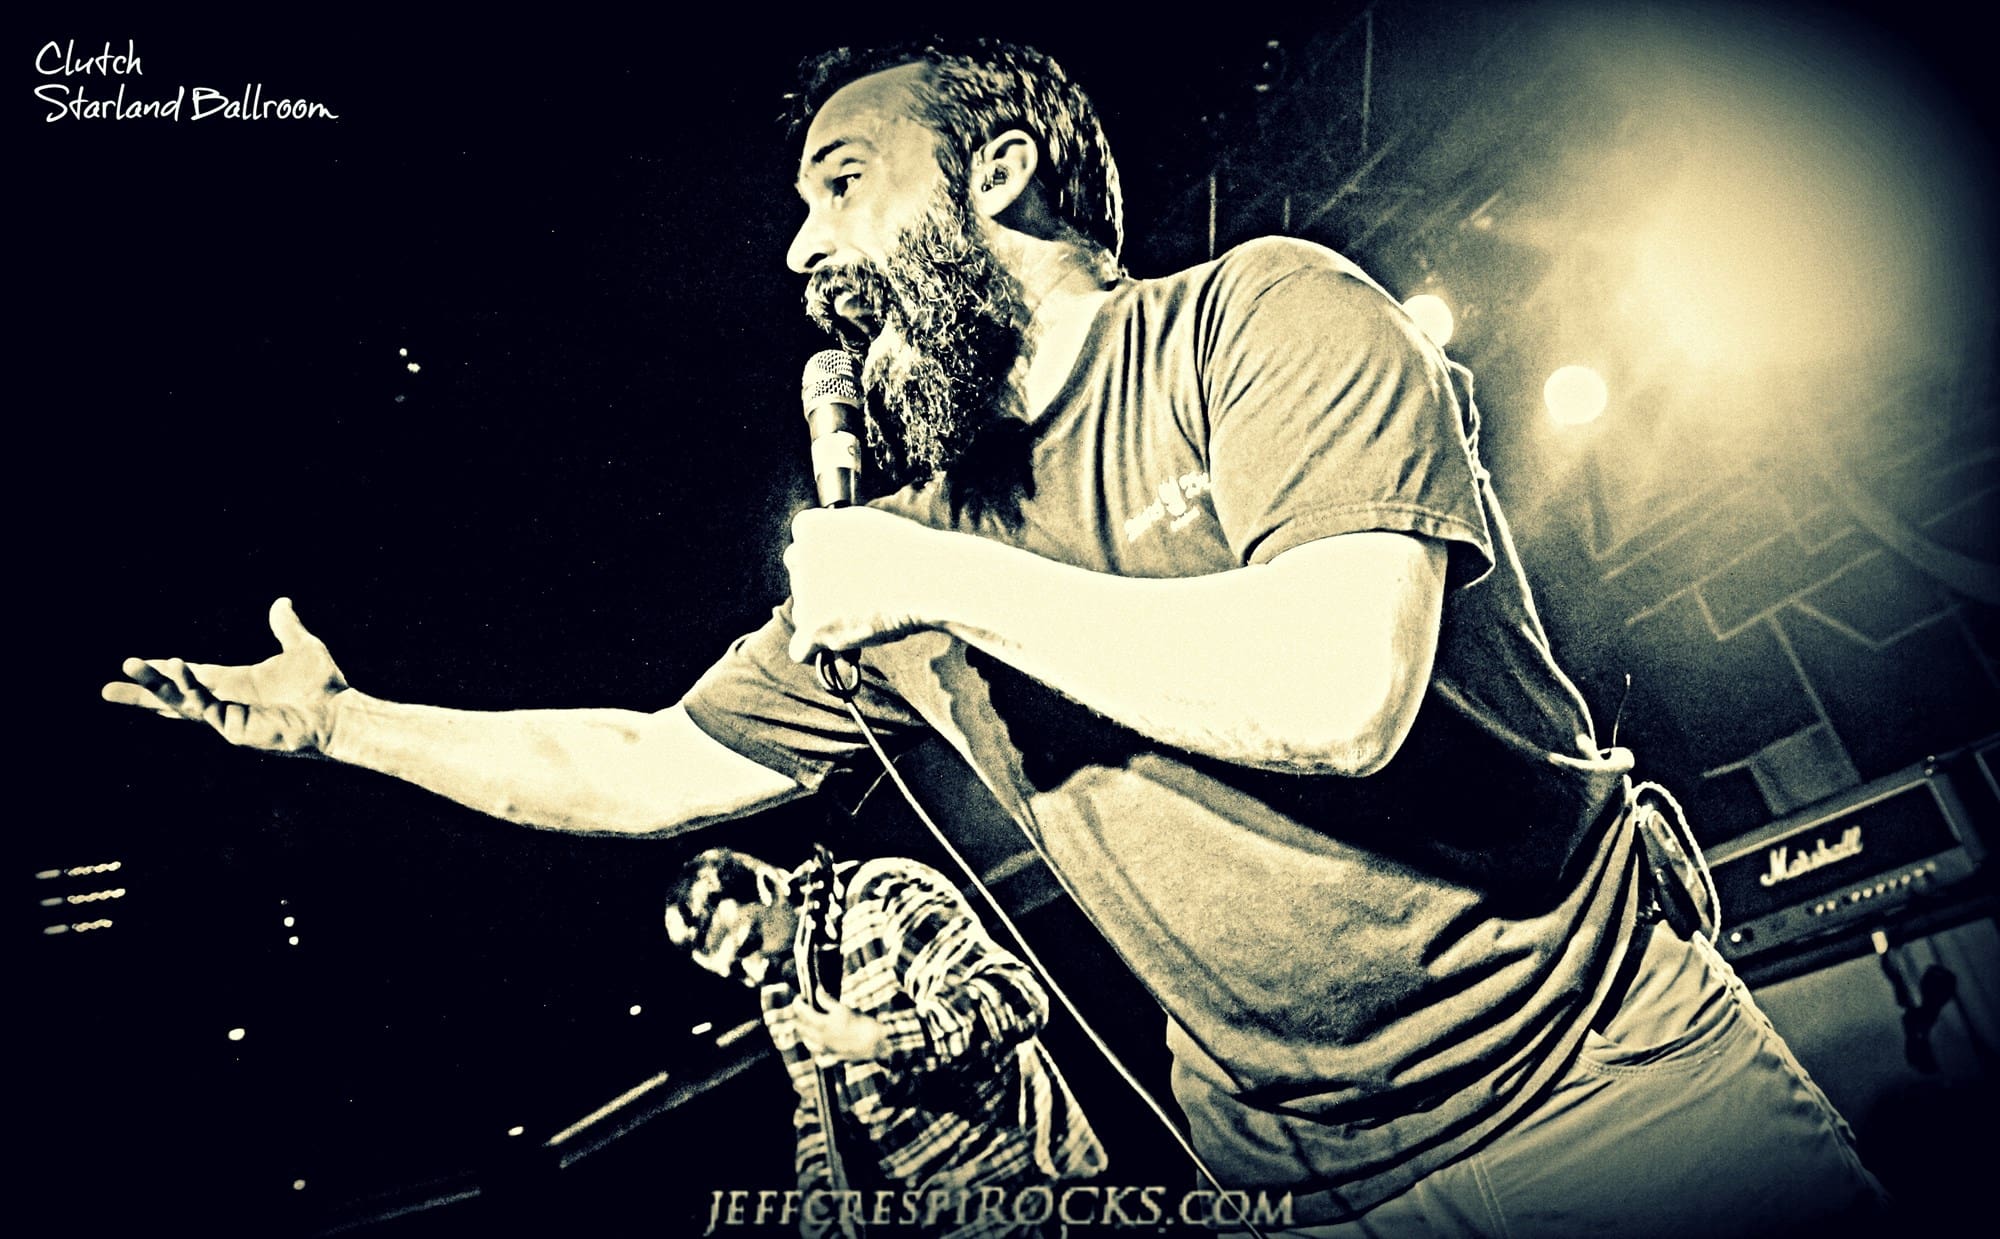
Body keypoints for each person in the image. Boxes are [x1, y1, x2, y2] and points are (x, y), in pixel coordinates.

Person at [104, 37, 1891, 1237]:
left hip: (1604, 1090)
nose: (797, 253)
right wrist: (347, 725)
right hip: (1289, 1185)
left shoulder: (1256, 318)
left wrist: (935, 580)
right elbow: (638, 760)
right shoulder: (916, 546)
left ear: (1005, 170)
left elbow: (1342, 687)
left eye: (841, 184)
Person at [667, 846, 1104, 1237]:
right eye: (736, 974)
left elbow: (1017, 997)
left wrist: (879, 1039)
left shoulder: (883, 895)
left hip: (1034, 1184)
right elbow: (817, 1105)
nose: (757, 973)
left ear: (769, 887)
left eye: (750, 944)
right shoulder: (778, 995)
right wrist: (820, 1193)